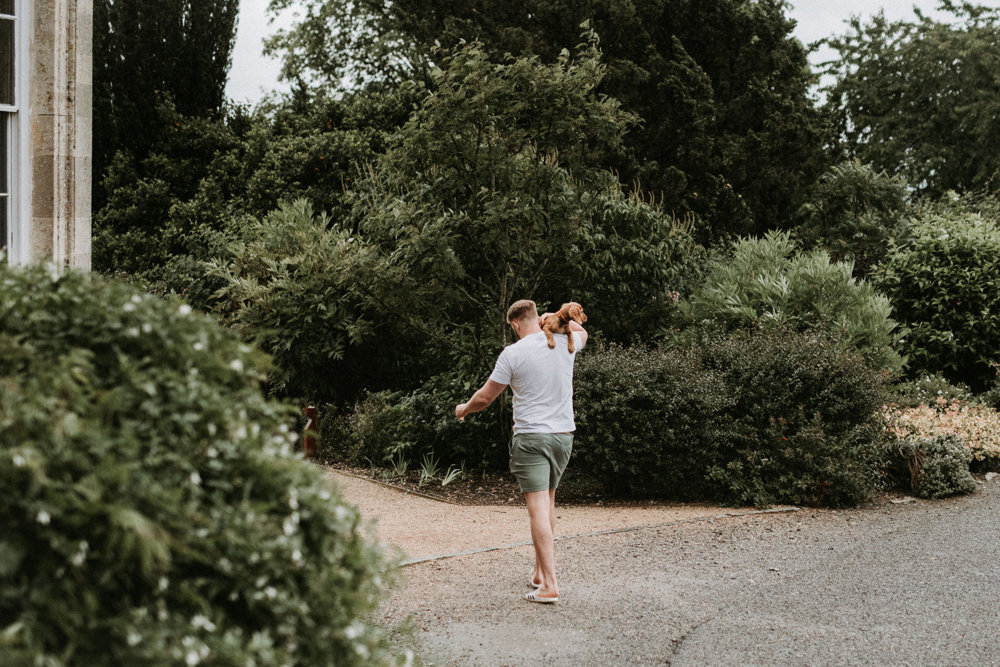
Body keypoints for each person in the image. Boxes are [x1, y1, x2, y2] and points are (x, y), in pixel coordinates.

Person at [455, 299, 587, 604]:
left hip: (531, 438)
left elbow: (486, 397)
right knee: (549, 502)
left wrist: (463, 410)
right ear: (536, 317)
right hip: (563, 437)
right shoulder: (566, 341)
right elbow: (583, 331)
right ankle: (541, 573)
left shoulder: (513, 353)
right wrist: (553, 317)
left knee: (538, 508)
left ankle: (550, 584)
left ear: (515, 325)